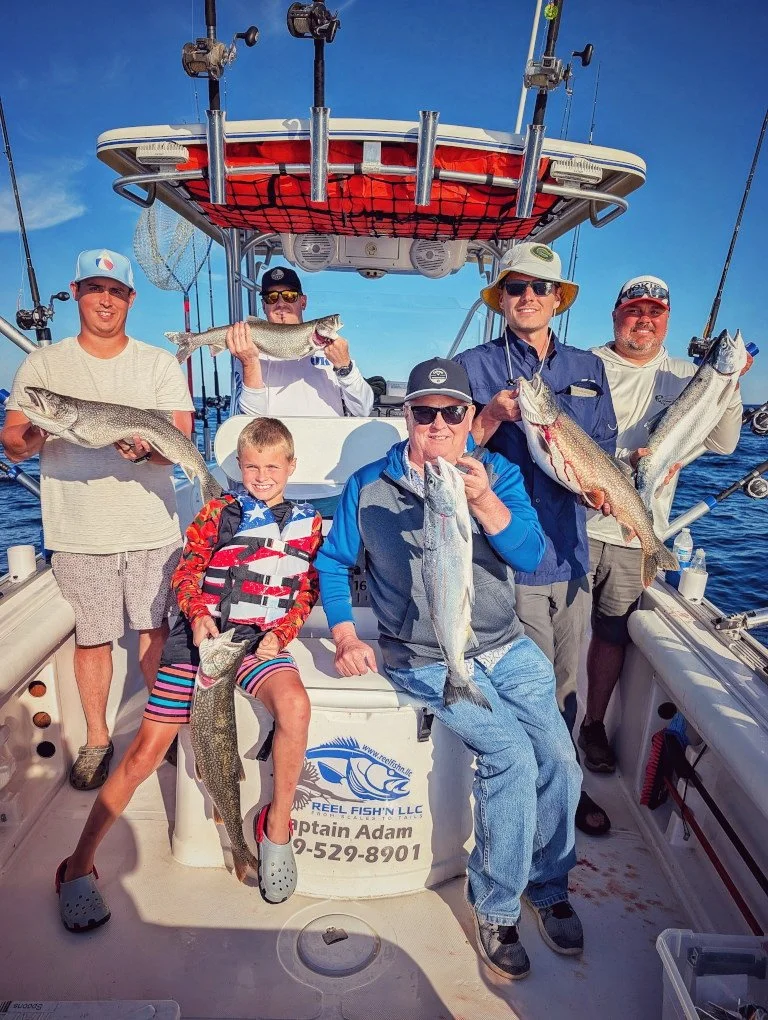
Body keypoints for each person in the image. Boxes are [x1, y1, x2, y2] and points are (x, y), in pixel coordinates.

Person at [315, 357, 583, 981]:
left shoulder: (499, 474)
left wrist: (486, 499)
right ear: (404, 416)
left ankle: (547, 883)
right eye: (423, 411)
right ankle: (495, 907)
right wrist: (347, 632)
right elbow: (333, 562)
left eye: (451, 411)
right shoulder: (368, 486)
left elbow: (532, 553)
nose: (436, 423)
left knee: (560, 757)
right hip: (425, 655)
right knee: (510, 753)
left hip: (503, 642)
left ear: (469, 419)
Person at [54, 417, 323, 931]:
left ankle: (277, 830)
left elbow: (305, 588)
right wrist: (199, 614)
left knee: (295, 706)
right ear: (239, 467)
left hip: (257, 642)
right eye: (251, 467)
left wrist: (282, 633)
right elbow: (188, 570)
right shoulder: (219, 512)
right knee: (143, 755)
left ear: (291, 467)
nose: (262, 476)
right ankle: (78, 863)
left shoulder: (306, 523)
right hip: (201, 642)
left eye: (272, 467)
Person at [0, 249, 194, 790]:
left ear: (130, 298)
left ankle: (166, 733)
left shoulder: (157, 364)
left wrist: (147, 452)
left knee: (156, 632)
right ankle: (96, 738)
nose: (104, 299)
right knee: (93, 638)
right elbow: (14, 443)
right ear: (77, 292)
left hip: (152, 524)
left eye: (115, 290)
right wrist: (41, 430)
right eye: (94, 288)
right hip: (78, 530)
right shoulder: (42, 366)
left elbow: (177, 442)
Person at [454, 241, 618, 837]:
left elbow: (602, 451)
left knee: (566, 679)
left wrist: (604, 491)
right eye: (515, 288)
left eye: (539, 288)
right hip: (506, 553)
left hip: (573, 549)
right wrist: (492, 416)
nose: (528, 297)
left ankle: (564, 786)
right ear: (501, 299)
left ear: (557, 299)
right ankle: (529, 796)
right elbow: (452, 450)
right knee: (527, 682)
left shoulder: (587, 368)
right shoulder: (474, 366)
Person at [580, 276, 746, 773]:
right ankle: (546, 725)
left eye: (654, 312)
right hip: (573, 524)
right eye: (635, 310)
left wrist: (727, 383)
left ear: (667, 321)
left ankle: (591, 724)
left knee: (612, 634)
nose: (644, 320)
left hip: (637, 534)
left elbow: (723, 445)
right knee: (558, 635)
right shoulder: (584, 365)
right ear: (616, 314)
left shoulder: (687, 375)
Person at [229, 265, 374, 417]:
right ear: (264, 306)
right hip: (277, 441)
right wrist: (250, 363)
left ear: (303, 302)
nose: (280, 303)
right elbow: (249, 421)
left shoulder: (333, 350)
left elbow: (363, 410)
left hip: (326, 439)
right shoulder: (247, 351)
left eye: (289, 296)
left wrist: (345, 367)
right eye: (271, 297)